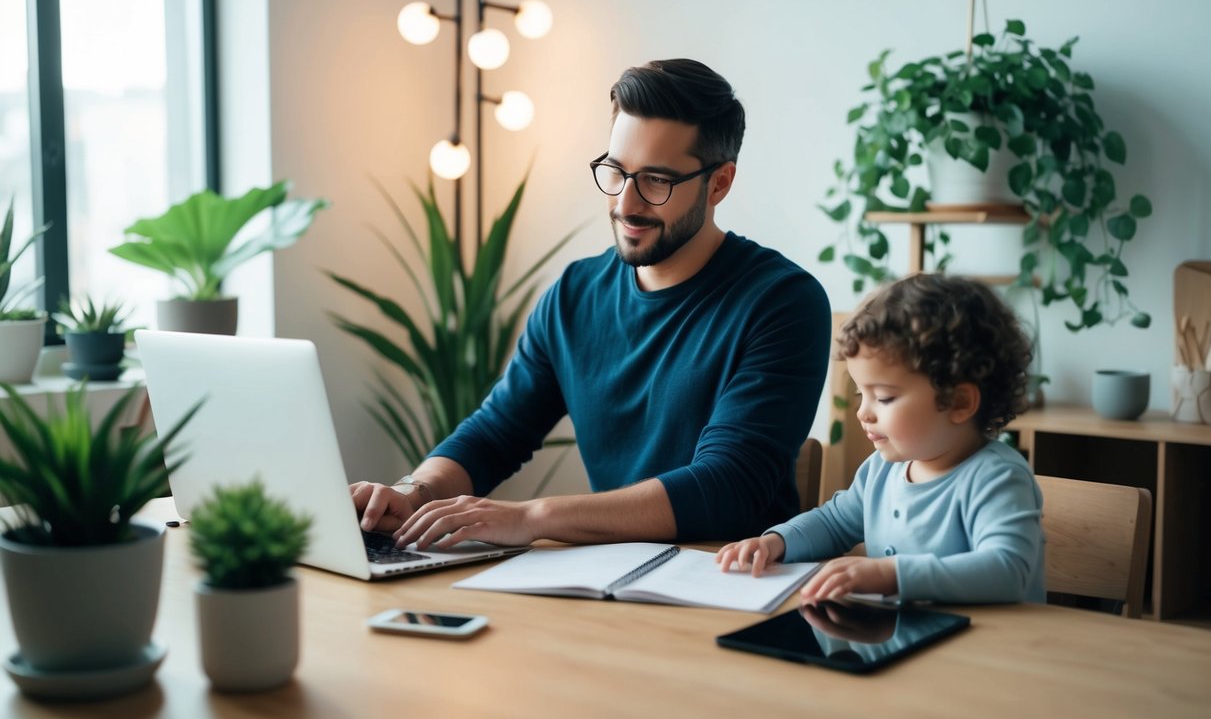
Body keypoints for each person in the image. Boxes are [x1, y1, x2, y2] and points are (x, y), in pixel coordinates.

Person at [352, 58, 831, 548]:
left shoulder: (783, 303)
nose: (626, 203)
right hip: (609, 585)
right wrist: (413, 493)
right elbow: (495, 433)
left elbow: (727, 487)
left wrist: (532, 517)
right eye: (616, 172)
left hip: (732, 588)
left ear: (719, 183)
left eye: (656, 181)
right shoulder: (575, 295)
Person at [716, 273, 1046, 605]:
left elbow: (1007, 570)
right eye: (861, 394)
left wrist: (891, 575)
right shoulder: (880, 470)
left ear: (959, 403)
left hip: (989, 650)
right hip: (906, 641)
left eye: (884, 398)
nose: (863, 412)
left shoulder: (997, 477)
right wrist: (777, 542)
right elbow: (833, 523)